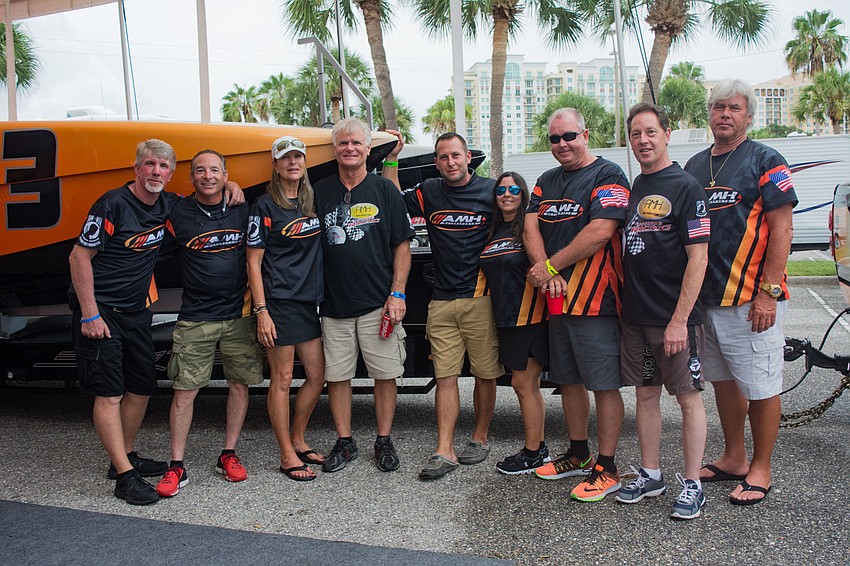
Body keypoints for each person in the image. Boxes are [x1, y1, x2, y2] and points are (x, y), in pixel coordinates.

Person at [684, 79, 797, 505]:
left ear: (749, 115)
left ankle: (761, 468)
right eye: (717, 107)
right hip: (705, 300)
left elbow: (782, 228)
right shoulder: (694, 165)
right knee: (723, 382)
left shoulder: (767, 159)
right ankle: (734, 457)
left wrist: (768, 291)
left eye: (733, 107)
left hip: (751, 300)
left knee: (761, 385)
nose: (724, 114)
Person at [525, 108, 629, 502]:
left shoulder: (608, 175)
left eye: (569, 136)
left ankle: (608, 466)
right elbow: (530, 225)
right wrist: (545, 271)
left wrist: (552, 264)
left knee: (603, 384)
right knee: (567, 380)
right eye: (555, 139)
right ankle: (578, 452)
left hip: (596, 300)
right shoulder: (546, 180)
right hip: (556, 300)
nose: (562, 144)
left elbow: (601, 230)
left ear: (585, 134)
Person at [387, 132, 504, 480]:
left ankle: (480, 438)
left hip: (480, 298)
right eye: (443, 157)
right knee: (445, 375)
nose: (450, 162)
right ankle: (444, 448)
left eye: (456, 155)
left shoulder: (492, 191)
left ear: (468, 157)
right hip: (441, 301)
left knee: (485, 373)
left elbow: (521, 220)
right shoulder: (430, 190)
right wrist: (392, 159)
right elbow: (393, 198)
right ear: (436, 162)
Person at [613, 103, 710, 519]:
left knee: (688, 398)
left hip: (675, 320)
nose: (643, 141)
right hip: (636, 317)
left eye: (651, 132)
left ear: (667, 134)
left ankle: (693, 483)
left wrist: (679, 321)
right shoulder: (636, 187)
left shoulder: (686, 186)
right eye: (636, 134)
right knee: (646, 394)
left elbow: (699, 258)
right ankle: (651, 474)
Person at [154, 150, 264, 498]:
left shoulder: (242, 207)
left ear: (225, 174)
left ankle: (228, 453)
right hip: (195, 318)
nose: (208, 176)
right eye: (200, 170)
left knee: (240, 385)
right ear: (191, 177)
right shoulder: (177, 211)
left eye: (215, 170)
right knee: (184, 391)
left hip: (238, 316)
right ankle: (177, 465)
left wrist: (236, 187)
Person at [313, 118, 414, 473]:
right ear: (335, 150)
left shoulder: (385, 191)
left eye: (357, 143)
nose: (350, 149)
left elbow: (403, 243)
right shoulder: (318, 191)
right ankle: (345, 442)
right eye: (343, 144)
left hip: (378, 304)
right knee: (338, 377)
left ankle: (383, 440)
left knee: (384, 375)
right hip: (333, 305)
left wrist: (397, 293)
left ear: (368, 149)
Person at [246, 136, 326, 482]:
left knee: (317, 376)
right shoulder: (264, 206)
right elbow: (253, 261)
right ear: (275, 165)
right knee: (281, 380)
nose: (293, 162)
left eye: (298, 156)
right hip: (278, 303)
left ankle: (298, 437)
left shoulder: (312, 200)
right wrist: (261, 310)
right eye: (285, 158)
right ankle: (285, 453)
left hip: (308, 303)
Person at [479, 172, 549, 475]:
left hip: (530, 316)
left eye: (514, 189)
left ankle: (534, 452)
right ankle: (537, 447)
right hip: (505, 318)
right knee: (523, 385)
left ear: (524, 194)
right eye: (501, 190)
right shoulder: (494, 230)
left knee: (524, 384)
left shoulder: (530, 227)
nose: (507, 194)